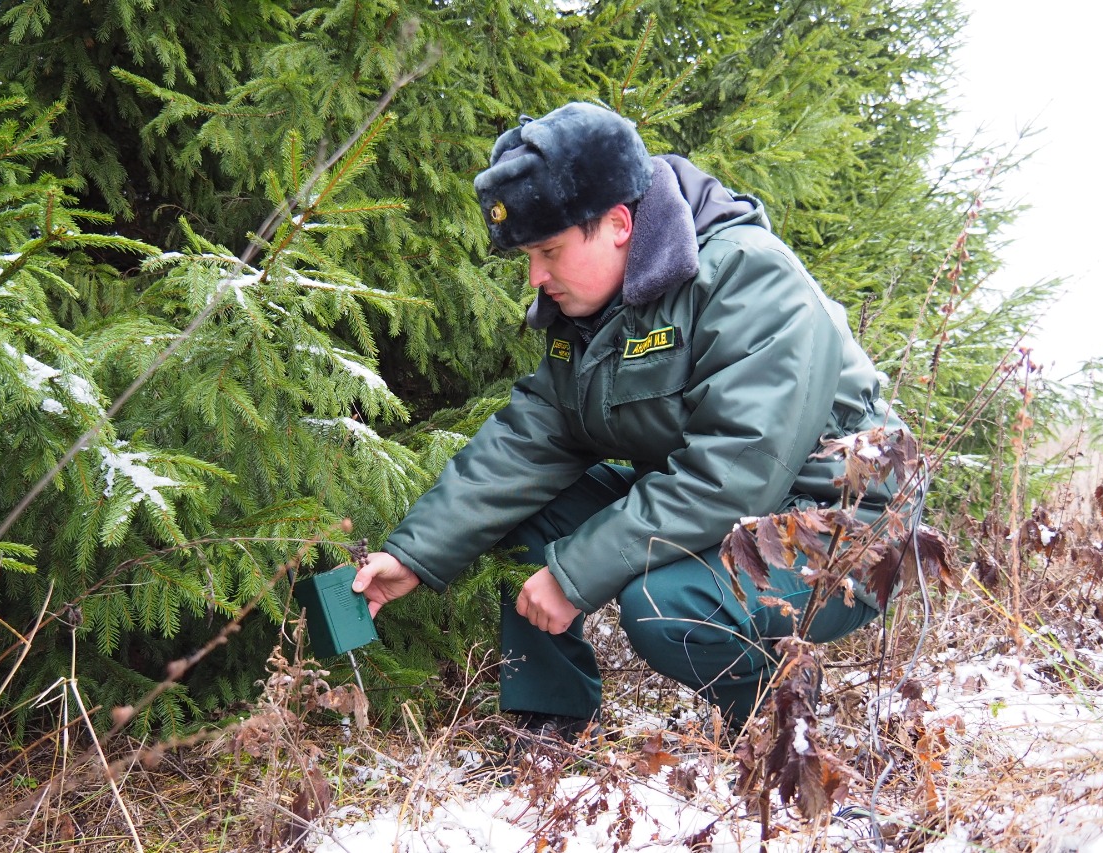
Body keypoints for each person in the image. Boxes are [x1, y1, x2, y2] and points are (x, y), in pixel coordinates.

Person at [352, 101, 909, 736]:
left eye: (549, 251)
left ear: (619, 223)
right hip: (735, 512)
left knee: (667, 604)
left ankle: (780, 731)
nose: (536, 277)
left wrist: (572, 576)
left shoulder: (748, 276)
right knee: (530, 514)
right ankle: (551, 730)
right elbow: (530, 440)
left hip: (842, 523)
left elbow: (734, 471)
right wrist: (413, 556)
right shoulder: (592, 308)